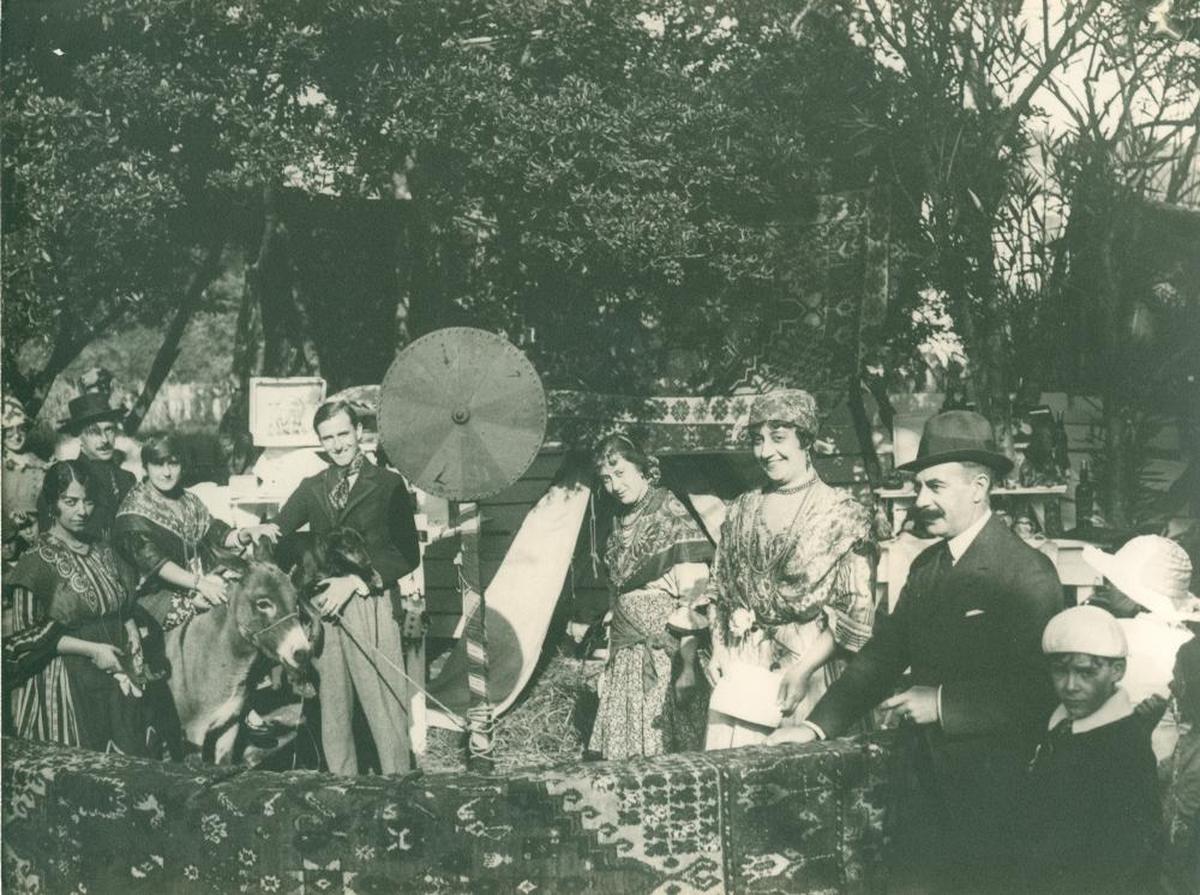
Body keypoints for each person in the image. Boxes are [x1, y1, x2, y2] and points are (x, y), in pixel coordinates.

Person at [768, 409, 1063, 892]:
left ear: (980, 485)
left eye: (936, 487)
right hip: (919, 782)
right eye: (920, 487)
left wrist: (942, 703)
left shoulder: (1027, 574)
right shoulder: (928, 567)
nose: (922, 501)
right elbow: (883, 656)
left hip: (993, 796)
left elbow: (1041, 690)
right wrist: (815, 726)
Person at [705, 389, 876, 749]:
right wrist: (719, 649)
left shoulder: (843, 515)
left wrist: (803, 670)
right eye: (757, 440)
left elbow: (856, 611)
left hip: (808, 674)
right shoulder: (740, 510)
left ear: (806, 440)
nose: (765, 452)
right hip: (743, 673)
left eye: (778, 438)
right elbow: (719, 589)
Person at [262, 400, 421, 776]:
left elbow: (407, 553)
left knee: (384, 703)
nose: (336, 445)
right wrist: (256, 540)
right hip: (324, 614)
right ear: (320, 442)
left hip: (370, 602)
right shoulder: (312, 487)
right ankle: (341, 789)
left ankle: (398, 786)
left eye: (342, 434)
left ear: (359, 433)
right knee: (333, 709)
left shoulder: (387, 484)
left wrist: (355, 581)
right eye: (327, 437)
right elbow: (277, 536)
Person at [3, 461, 155, 754]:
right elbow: (25, 641)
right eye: (70, 502)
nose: (82, 511)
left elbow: (117, 602)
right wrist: (93, 650)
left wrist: (130, 625)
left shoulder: (101, 549)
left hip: (114, 676)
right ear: (52, 504)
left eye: (87, 501)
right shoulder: (35, 563)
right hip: (67, 688)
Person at [588, 434, 713, 759]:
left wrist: (686, 669)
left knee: (665, 747)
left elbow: (695, 595)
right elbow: (618, 595)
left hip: (665, 656)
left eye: (621, 473)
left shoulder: (670, 513)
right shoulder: (616, 521)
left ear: (643, 470)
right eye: (606, 478)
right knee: (626, 753)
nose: (614, 485)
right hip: (626, 658)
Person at [1025, 605, 1161, 895]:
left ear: (1117, 670)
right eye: (1060, 671)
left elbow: (1124, 859)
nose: (1070, 686)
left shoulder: (1125, 748)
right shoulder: (1057, 726)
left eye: (1086, 673)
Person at [113, 434, 274, 632]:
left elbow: (217, 532)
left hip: (197, 584)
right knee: (217, 622)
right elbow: (157, 564)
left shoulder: (186, 499)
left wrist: (246, 533)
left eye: (173, 463)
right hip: (152, 597)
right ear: (145, 467)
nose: (166, 473)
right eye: (158, 464)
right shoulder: (132, 513)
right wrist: (200, 585)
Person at [1083, 534, 1197, 764]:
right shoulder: (1188, 640)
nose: (1106, 586)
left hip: (1119, 760)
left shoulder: (1117, 636)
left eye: (1113, 583)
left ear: (1132, 595)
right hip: (1175, 764)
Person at [41, 393, 136, 540]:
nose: (104, 440)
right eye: (94, 432)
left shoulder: (127, 478)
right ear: (79, 436)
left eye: (109, 429)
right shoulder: (66, 477)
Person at [2, 395, 46, 559]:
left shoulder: (42, 465)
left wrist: (35, 524)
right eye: (8, 431)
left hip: (38, 540)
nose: (16, 436)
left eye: (20, 428)